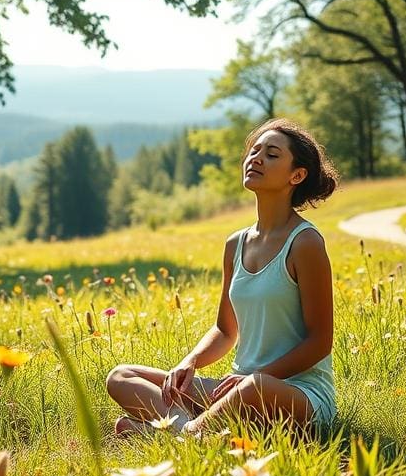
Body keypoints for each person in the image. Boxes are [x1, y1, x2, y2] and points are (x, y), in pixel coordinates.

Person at [106, 118, 339, 436]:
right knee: (121, 376)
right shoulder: (236, 244)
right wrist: (189, 363)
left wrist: (251, 380)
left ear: (297, 175)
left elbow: (319, 342)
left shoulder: (305, 242)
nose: (256, 158)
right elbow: (225, 330)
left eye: (272, 154)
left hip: (297, 395)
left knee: (255, 385)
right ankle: (196, 431)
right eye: (254, 151)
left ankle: (182, 435)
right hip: (235, 389)